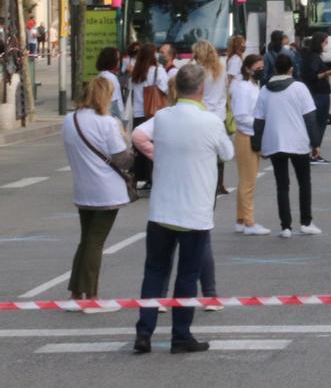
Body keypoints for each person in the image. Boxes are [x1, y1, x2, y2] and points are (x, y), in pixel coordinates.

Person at [133, 65, 235, 355]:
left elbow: (137, 134)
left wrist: (157, 153)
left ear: (176, 88)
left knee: (154, 272)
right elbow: (227, 153)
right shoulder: (210, 121)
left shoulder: (163, 117)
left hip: (162, 209)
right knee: (187, 276)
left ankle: (144, 332)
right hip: (195, 212)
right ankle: (181, 335)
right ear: (201, 89)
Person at [63, 77, 134, 310]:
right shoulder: (107, 123)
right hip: (106, 191)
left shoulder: (70, 120)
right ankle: (91, 294)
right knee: (95, 242)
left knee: (86, 239)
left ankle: (76, 291)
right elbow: (122, 159)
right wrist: (127, 141)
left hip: (82, 188)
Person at [251, 54, 321, 237]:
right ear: (291, 69)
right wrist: (315, 143)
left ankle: (286, 226)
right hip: (298, 141)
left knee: (282, 185)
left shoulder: (265, 90)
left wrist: (257, 144)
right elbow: (310, 118)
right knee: (304, 182)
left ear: (274, 69)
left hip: (275, 142)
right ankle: (306, 222)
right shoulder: (299, 88)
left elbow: (258, 121)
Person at [230, 54, 269, 236]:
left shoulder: (254, 85)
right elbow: (241, 116)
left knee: (245, 180)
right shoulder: (243, 88)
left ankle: (240, 219)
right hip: (247, 135)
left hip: (253, 134)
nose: (260, 71)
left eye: (262, 67)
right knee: (248, 182)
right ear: (247, 69)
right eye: (257, 68)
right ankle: (249, 222)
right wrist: (260, 123)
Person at [191, 40, 231, 195]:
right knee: (218, 150)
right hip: (219, 115)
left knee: (203, 150)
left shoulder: (199, 72)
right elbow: (225, 91)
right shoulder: (221, 69)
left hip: (202, 114)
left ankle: (205, 181)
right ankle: (219, 183)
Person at [128, 43, 168, 189]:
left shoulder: (136, 72)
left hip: (138, 113)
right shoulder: (157, 71)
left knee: (139, 147)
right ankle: (153, 178)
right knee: (153, 146)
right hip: (153, 113)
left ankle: (138, 176)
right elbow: (166, 88)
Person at [300, 32, 331, 164]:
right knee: (319, 123)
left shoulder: (309, 56)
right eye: (325, 42)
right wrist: (327, 73)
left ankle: (313, 151)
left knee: (316, 122)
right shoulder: (314, 58)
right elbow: (312, 76)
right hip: (319, 93)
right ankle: (315, 152)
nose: (326, 45)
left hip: (316, 93)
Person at [95, 47, 125, 124]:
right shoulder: (111, 78)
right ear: (111, 60)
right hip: (113, 120)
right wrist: (122, 120)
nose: (119, 62)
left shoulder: (100, 75)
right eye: (117, 59)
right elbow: (114, 103)